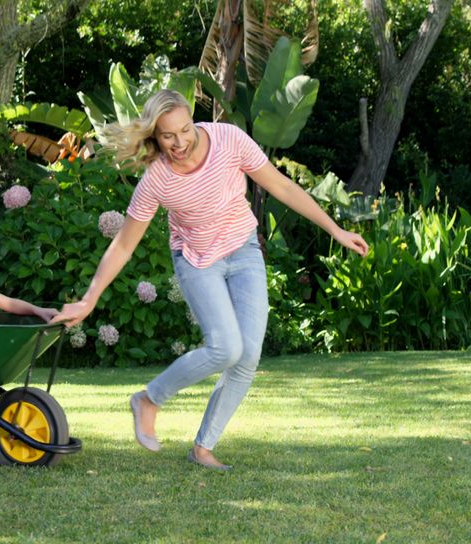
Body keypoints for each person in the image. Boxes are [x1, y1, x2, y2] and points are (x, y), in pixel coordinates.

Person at [54, 89, 369, 470]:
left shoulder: (228, 140)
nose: (180, 142)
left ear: (193, 120)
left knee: (247, 355)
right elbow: (122, 246)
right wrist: (89, 298)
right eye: (168, 136)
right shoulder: (157, 179)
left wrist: (335, 230)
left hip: (244, 252)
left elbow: (282, 186)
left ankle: (203, 447)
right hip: (197, 262)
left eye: (185, 130)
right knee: (225, 348)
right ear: (155, 135)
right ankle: (149, 399)